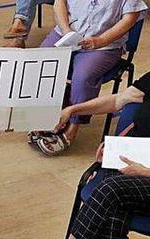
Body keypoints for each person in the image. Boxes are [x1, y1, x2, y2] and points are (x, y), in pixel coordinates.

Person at [29, 0, 147, 156]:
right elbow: (60, 1)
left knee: (83, 76)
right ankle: (46, 115)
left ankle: (72, 128)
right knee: (41, 62)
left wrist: (100, 41)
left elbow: (129, 19)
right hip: (67, 35)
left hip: (103, 45)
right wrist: (65, 29)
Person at [57, 70, 150, 239]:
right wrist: (72, 110)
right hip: (134, 160)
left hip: (146, 172)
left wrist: (146, 172)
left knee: (110, 189)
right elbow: (117, 100)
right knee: (110, 216)